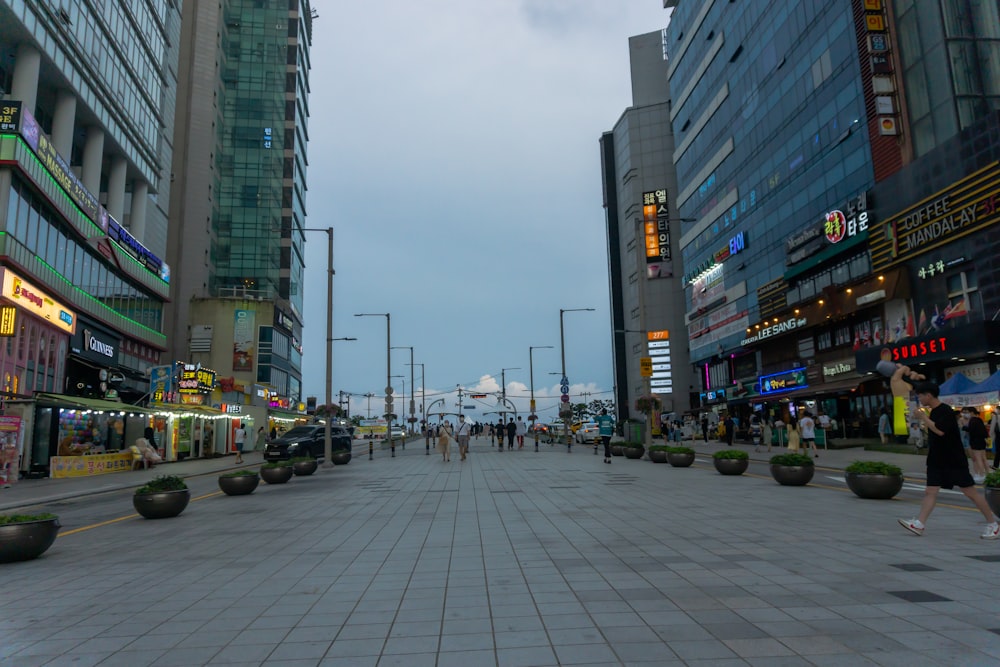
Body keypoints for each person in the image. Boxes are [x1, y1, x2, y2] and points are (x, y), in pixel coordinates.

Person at [899, 378, 1000, 539]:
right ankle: (919, 524)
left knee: (971, 492)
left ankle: (993, 524)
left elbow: (940, 431)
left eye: (921, 396)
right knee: (930, 491)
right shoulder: (934, 412)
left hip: (952, 460)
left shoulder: (945, 410)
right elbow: (934, 433)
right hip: (937, 460)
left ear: (929, 395)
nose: (920, 399)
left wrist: (923, 418)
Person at [962, 407, 989, 484]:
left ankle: (981, 475)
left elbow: (971, 431)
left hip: (975, 442)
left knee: (978, 459)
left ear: (972, 412)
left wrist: (964, 427)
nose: (967, 414)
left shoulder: (972, 421)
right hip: (982, 441)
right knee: (984, 458)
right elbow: (984, 431)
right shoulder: (979, 420)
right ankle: (988, 474)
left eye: (968, 412)